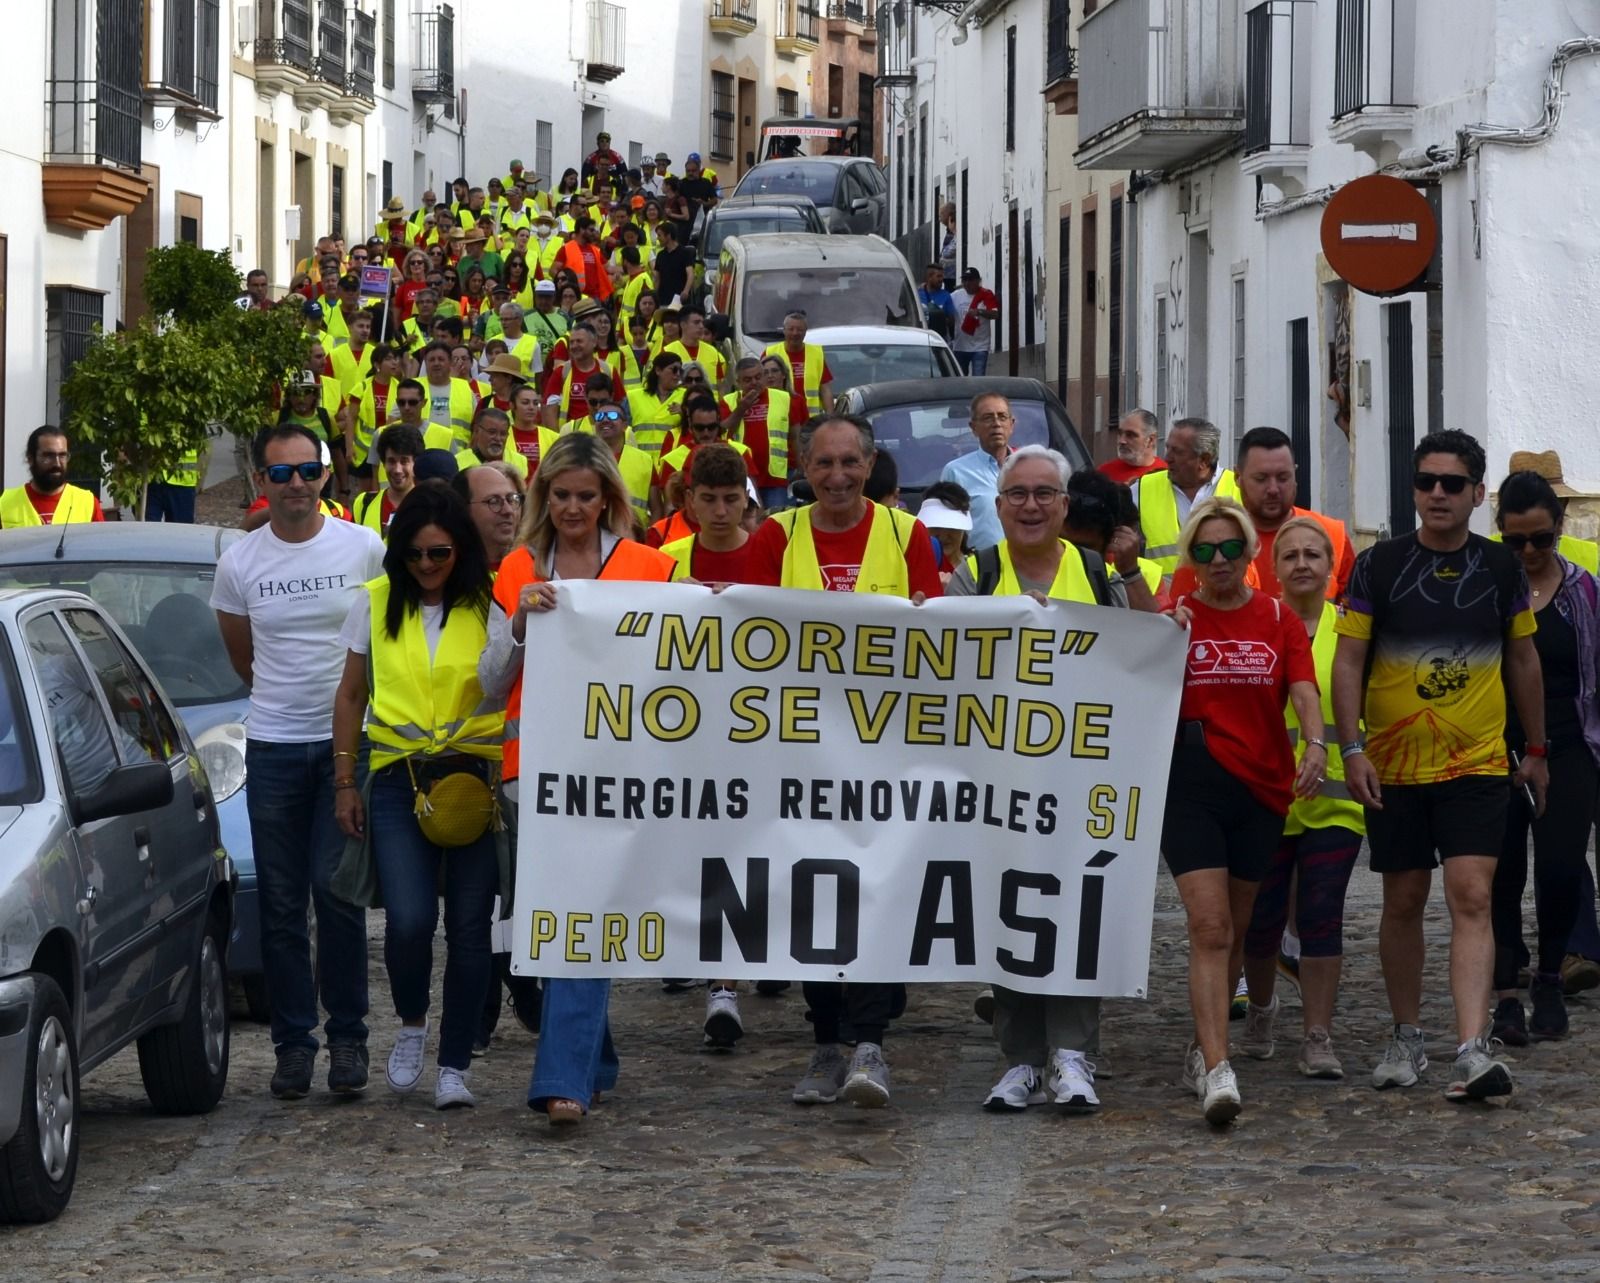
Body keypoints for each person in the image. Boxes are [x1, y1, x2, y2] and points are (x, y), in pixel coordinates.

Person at [1332, 429, 1545, 1102]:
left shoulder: (1501, 567)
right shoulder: (1378, 565)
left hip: (1477, 762)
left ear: (1478, 493)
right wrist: (1352, 747)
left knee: (1473, 895)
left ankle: (1472, 1046)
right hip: (1392, 764)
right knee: (1402, 899)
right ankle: (1406, 1035)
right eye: (1426, 481)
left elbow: (1523, 660)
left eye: (1452, 483)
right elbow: (1347, 661)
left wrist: (1537, 749)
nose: (1436, 494)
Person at [479, 434, 676, 1125]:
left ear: (609, 499)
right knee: (569, 917)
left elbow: (686, 660)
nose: (572, 507)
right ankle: (592, 1057)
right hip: (533, 771)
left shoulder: (654, 567)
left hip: (624, 770)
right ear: (543, 497)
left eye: (585, 496)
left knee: (580, 917)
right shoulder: (516, 569)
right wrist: (522, 626)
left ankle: (564, 1077)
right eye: (559, 494)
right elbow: (488, 682)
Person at [747, 415, 943, 1108]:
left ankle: (870, 1043)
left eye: (849, 463)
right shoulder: (778, 535)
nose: (836, 477)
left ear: (870, 464)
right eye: (823, 463)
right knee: (813, 895)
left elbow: (942, 637)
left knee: (877, 891)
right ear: (804, 467)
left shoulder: (907, 535)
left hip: (886, 751)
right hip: (800, 753)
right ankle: (825, 1041)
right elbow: (739, 630)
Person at [944, 446, 1123, 1112]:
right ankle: (1020, 1057)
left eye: (1045, 493)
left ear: (1065, 505)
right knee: (1007, 909)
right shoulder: (975, 575)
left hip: (1081, 778)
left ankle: (1073, 1053)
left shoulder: (1101, 576)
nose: (1030, 505)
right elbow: (941, 664)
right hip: (996, 782)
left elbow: (1137, 663)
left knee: (1077, 907)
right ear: (998, 506)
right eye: (1017, 494)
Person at [211, 424, 385, 1100]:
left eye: (307, 471)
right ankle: (292, 1045)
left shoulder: (364, 548)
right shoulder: (240, 563)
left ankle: (348, 1039)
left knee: (337, 894)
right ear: (261, 480)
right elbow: (240, 655)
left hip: (350, 745)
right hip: (277, 746)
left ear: (326, 474)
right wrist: (280, 701)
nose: (295, 486)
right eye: (281, 474)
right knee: (282, 904)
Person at [330, 483, 501, 1110]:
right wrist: (345, 780)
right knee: (407, 922)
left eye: (441, 554)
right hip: (399, 781)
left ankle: (454, 1065)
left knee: (470, 929)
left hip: (475, 782)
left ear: (462, 550)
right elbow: (350, 695)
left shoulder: (492, 604)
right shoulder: (373, 604)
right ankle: (410, 1023)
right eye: (415, 556)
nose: (427, 567)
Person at [1163, 497, 1324, 1124]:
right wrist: (1160, 629)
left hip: (1262, 789)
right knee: (1209, 928)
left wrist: (1314, 744)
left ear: (1250, 554)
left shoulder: (1278, 618)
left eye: (1231, 547)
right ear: (1191, 557)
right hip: (1193, 784)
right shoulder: (1174, 621)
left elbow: (1304, 687)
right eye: (1205, 549)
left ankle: (1205, 1047)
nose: (1219, 559)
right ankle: (1217, 1068)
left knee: (1236, 926)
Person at [1237, 518, 1366, 1078]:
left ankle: (1318, 1035)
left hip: (1337, 795)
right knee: (1261, 923)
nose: (1302, 564)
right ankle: (1262, 1010)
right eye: (1289, 556)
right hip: (1270, 796)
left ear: (1332, 566)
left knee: (1321, 913)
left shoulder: (1354, 629)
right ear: (1272, 566)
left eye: (1314, 554)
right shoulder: (1260, 624)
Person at [1487, 470, 1600, 1044]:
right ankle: (1506, 993)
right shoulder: (1485, 586)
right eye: (1515, 541)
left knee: (1559, 869)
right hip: (1493, 744)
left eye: (1540, 539)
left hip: (1569, 741)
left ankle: (1551, 976)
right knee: (1500, 875)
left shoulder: (1583, 591)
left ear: (1559, 528)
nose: (1528, 552)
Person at [1173, 426, 1353, 601]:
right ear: (1237, 477)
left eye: (1283, 478)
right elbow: (1179, 620)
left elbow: (1354, 621)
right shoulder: (1208, 544)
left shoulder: (1332, 535)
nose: (1273, 489)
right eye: (1261, 479)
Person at [1133, 418, 1240, 576]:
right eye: (1168, 448)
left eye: (1177, 452)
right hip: (1162, 599)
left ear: (1204, 460)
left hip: (1225, 597)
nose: (1167, 458)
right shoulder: (1141, 489)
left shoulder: (1239, 487)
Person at [938, 391, 1016, 550]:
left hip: (1026, 566)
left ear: (1011, 424)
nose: (996, 424)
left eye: (1002, 417)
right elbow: (946, 532)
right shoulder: (956, 472)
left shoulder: (1028, 467)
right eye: (988, 418)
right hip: (980, 568)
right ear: (973, 428)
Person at [720, 356, 794, 508]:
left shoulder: (784, 398)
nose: (754, 382)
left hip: (775, 477)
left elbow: (795, 436)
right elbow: (722, 434)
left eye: (758, 377)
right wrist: (741, 408)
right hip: (740, 476)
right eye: (747, 380)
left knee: (775, 522)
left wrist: (799, 468)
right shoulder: (728, 401)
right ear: (738, 382)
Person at [0, 427, 105, 526]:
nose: (57, 463)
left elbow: (101, 544)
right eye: (48, 456)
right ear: (30, 458)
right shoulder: (4, 504)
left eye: (62, 455)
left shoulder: (88, 503)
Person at [354, 424, 425, 538]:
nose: (397, 470)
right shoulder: (363, 503)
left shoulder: (429, 507)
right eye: (391, 461)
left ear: (416, 462)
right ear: (383, 463)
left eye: (404, 461)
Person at [765, 312, 833, 418]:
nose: (795, 333)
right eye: (791, 329)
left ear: (805, 332)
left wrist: (830, 419)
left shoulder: (816, 353)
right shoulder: (770, 352)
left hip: (811, 420)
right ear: (784, 330)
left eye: (799, 329)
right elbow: (761, 386)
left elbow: (825, 389)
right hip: (780, 416)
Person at [916, 482, 973, 580]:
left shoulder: (978, 568)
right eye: (935, 526)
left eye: (951, 527)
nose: (943, 536)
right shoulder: (912, 567)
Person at [949, 268, 1000, 376]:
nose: (967, 283)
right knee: (960, 380)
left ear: (978, 281)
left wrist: (979, 312)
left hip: (980, 347)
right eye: (965, 280)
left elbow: (995, 314)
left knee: (978, 379)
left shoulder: (986, 295)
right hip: (960, 346)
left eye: (971, 280)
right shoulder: (955, 296)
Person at [1099, 409, 1167, 486]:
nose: (1122, 441)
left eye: (1130, 435)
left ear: (1150, 440)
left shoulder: (1167, 474)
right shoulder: (1104, 474)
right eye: (1120, 433)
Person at [919, 263, 956, 340]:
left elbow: (952, 321)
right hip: (921, 338)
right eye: (938, 276)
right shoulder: (917, 294)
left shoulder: (946, 295)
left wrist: (939, 320)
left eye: (942, 276)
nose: (941, 279)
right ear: (929, 277)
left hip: (939, 339)